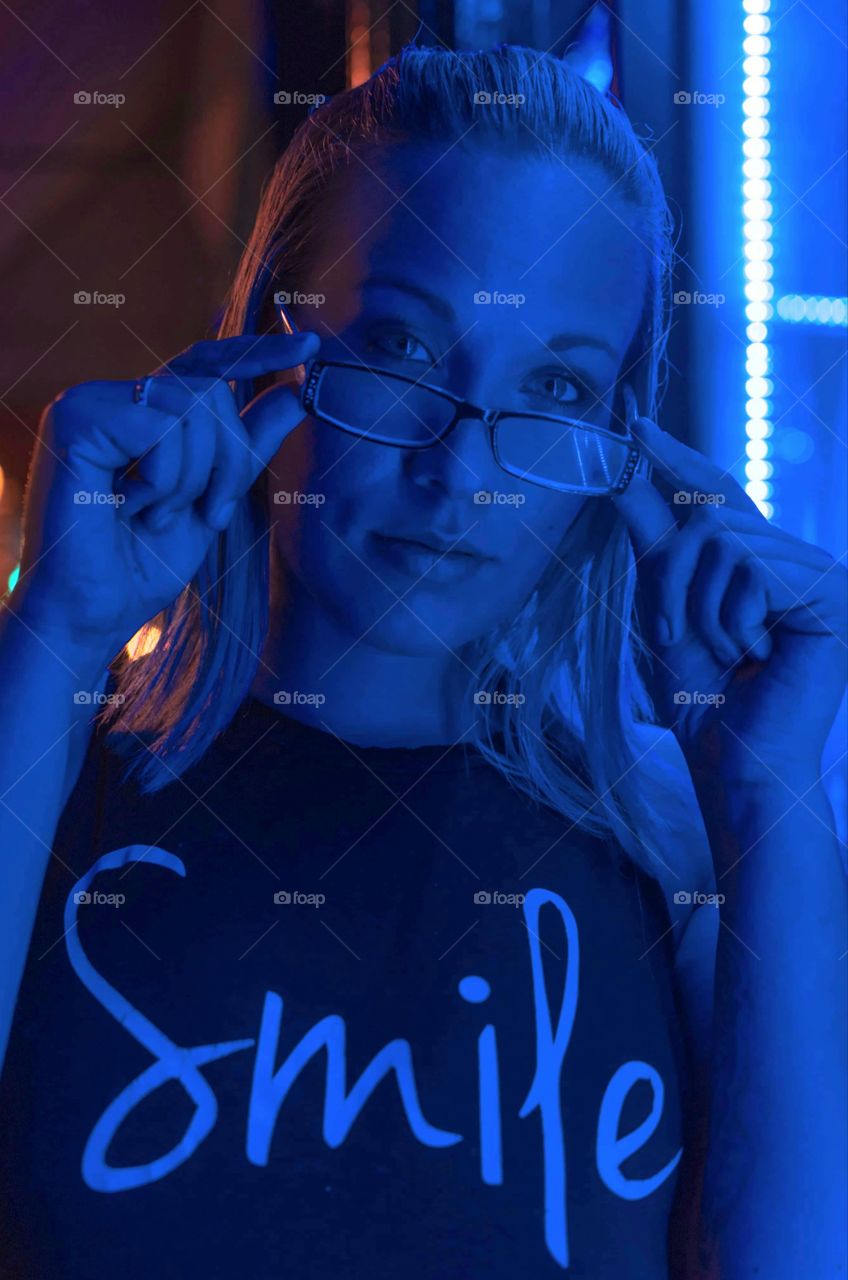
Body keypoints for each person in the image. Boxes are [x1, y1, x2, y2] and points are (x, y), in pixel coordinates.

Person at [0, 42, 845, 1280]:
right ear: (271, 346)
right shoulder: (50, 778)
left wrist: (771, 792)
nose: (460, 468)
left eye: (553, 386)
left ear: (619, 444)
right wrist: (54, 636)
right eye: (399, 350)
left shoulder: (690, 852)